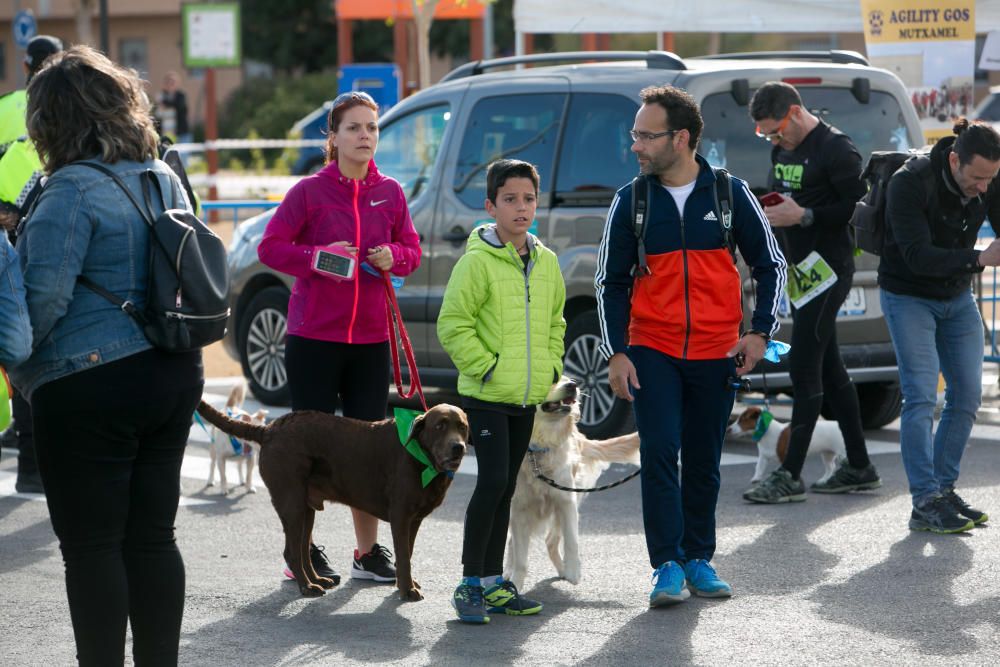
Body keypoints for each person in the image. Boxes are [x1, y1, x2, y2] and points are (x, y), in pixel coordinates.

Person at [13, 46, 203, 665]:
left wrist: (15, 364)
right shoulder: (162, 175)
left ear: (52, 120)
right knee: (152, 539)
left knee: (93, 547)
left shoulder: (68, 191)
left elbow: (39, 306)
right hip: (172, 372)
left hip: (88, 383)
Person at [596, 85, 786, 607]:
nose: (635, 145)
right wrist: (618, 351)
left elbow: (770, 264)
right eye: (635, 134)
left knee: (703, 460)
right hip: (651, 348)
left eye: (645, 135)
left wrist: (759, 332)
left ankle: (699, 558)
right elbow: (610, 282)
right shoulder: (630, 200)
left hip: (717, 351)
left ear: (680, 138)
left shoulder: (729, 194)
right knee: (660, 452)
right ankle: (667, 566)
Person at [258, 90, 421, 586]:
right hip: (314, 338)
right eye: (354, 128)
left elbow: (411, 251)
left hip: (371, 340)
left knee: (371, 453)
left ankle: (367, 554)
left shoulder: (390, 192)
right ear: (332, 136)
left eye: (371, 128)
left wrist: (394, 255)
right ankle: (300, 552)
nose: (365, 136)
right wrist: (320, 255)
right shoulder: (309, 191)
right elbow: (272, 248)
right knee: (309, 451)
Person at [437, 158, 566, 624]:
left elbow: (556, 321)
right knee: (491, 483)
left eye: (528, 198)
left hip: (526, 397)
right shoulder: (476, 262)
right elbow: (452, 325)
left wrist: (550, 367)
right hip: (486, 396)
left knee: (506, 487)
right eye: (509, 199)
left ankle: (493, 583)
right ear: (490, 205)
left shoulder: (547, 262)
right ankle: (470, 583)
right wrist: (487, 368)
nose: (521, 207)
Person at [742, 82, 881, 503]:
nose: (773, 139)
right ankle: (858, 465)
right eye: (765, 134)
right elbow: (786, 195)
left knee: (804, 365)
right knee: (831, 369)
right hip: (802, 272)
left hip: (831, 269)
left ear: (796, 112)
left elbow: (858, 210)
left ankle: (789, 474)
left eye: (776, 130)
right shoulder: (782, 149)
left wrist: (804, 215)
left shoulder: (837, 149)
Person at [879, 119, 1000, 534]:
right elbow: (917, 256)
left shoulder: (988, 179)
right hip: (908, 295)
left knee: (967, 394)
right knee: (919, 398)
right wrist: (980, 259)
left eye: (991, 180)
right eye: (976, 178)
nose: (983, 188)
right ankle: (925, 498)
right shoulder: (909, 182)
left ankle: (943, 491)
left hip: (956, 296)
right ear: (954, 159)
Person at [0, 34, 62, 494]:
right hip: (46, 245)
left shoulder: (8, 108)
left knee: (21, 352)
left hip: (14, 247)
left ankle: (29, 461)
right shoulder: (73, 97)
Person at [154, 71, 190, 144]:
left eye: (173, 82)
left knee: (183, 154)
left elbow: (180, 107)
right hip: (166, 133)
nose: (171, 84)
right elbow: (158, 113)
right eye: (168, 82)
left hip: (181, 132)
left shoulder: (181, 95)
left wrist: (165, 104)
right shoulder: (161, 95)